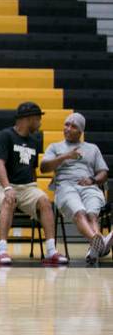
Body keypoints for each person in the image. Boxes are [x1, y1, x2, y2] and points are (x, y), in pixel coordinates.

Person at [0, 102, 68, 266]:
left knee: (45, 201)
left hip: (27, 188)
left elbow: (32, 171)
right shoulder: (6, 135)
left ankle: (51, 251)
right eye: (38, 118)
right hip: (2, 185)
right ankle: (2, 250)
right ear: (29, 118)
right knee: (8, 199)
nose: (40, 122)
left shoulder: (34, 140)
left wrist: (34, 192)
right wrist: (8, 187)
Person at [40, 112, 113, 264]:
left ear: (81, 131)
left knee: (92, 214)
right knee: (80, 212)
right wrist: (65, 156)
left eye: (73, 126)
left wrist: (92, 179)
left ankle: (94, 248)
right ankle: (98, 242)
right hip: (66, 187)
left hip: (88, 186)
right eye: (66, 124)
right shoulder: (55, 147)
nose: (67, 128)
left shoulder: (92, 148)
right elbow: (44, 167)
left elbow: (104, 173)